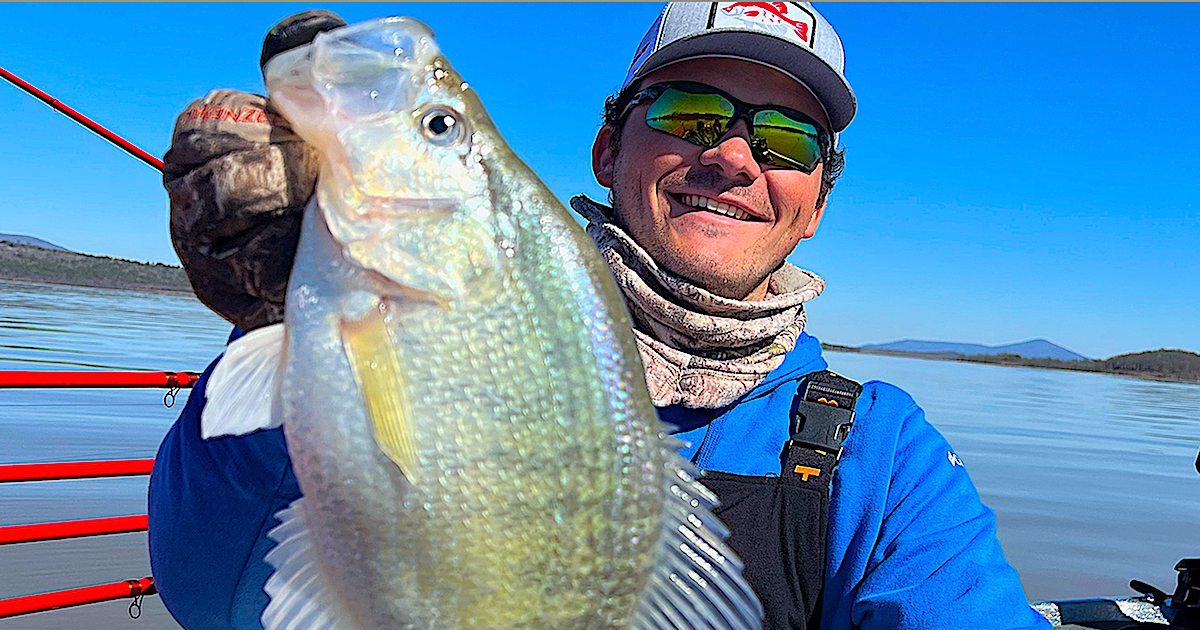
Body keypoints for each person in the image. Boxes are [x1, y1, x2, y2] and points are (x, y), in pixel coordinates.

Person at [148, 4, 1052, 630]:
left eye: (785, 140)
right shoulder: (395, 305)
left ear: (814, 203)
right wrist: (281, 328)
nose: (734, 157)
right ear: (609, 149)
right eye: (693, 114)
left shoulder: (880, 453)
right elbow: (210, 590)